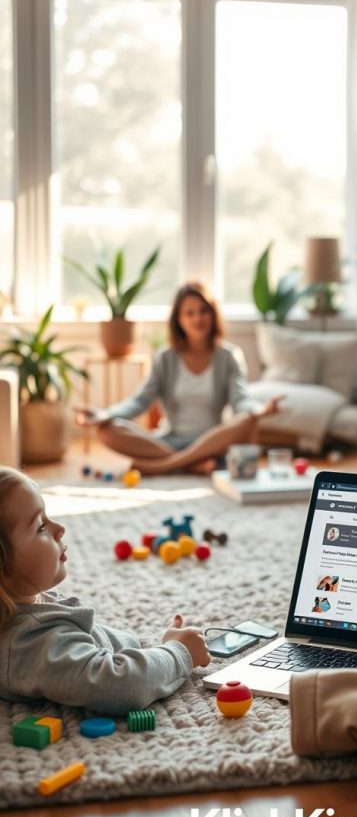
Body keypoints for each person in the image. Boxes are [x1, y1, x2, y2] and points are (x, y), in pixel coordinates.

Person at [0, 467, 211, 713]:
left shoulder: (27, 605)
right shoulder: (32, 642)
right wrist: (179, 653)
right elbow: (123, 684)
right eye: (40, 526)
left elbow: (99, 643)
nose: (59, 528)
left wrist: (154, 648)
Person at [76, 281, 283, 475]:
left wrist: (259, 410)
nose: (198, 319)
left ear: (213, 315)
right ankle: (191, 465)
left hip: (211, 443)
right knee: (105, 430)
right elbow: (140, 401)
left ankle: (165, 466)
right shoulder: (165, 358)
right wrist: (105, 414)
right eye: (189, 313)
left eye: (203, 311)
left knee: (250, 421)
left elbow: (241, 401)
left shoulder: (229, 357)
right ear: (179, 319)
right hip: (168, 442)